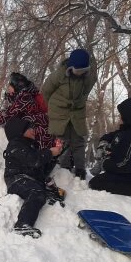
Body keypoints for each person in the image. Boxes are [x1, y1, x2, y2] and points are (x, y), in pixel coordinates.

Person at [89, 96, 131, 201]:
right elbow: (112, 136)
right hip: (127, 172)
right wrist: (103, 143)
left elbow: (126, 164)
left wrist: (105, 164)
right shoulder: (127, 130)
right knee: (100, 180)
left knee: (96, 183)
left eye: (122, 115)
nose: (120, 117)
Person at [3, 117, 64, 238]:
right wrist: (50, 152)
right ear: (20, 131)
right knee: (36, 191)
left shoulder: (31, 147)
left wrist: (55, 155)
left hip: (30, 180)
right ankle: (22, 224)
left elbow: (41, 168)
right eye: (30, 128)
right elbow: (34, 161)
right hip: (17, 180)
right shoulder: (15, 145)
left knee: (49, 191)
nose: (33, 130)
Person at [41, 48, 97, 179]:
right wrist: (54, 108)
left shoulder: (87, 78)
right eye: (78, 71)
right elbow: (46, 92)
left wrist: (79, 102)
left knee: (78, 140)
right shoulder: (58, 75)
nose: (80, 73)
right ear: (71, 67)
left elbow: (86, 91)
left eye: (83, 71)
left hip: (77, 112)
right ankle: (64, 168)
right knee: (62, 140)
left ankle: (80, 169)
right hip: (59, 112)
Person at [0, 72, 56, 148]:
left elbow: (10, 114)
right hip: (40, 134)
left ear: (17, 86)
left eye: (10, 87)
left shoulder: (25, 97)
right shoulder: (25, 96)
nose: (8, 89)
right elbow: (9, 111)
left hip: (41, 136)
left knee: (16, 125)